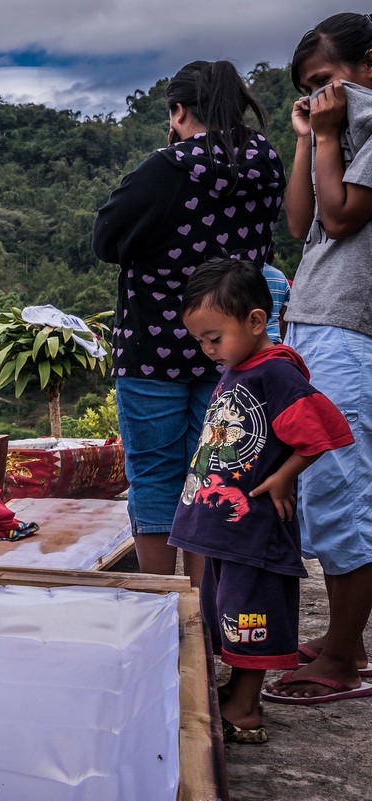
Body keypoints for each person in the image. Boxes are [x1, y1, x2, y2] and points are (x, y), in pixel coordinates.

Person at [92, 60, 284, 581]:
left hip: (153, 346)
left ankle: (162, 601)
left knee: (155, 475)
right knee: (212, 475)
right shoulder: (265, 160)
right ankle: (204, 607)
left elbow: (106, 239)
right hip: (230, 347)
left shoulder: (167, 167)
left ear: (179, 111)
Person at [169, 257, 353, 742]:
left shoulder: (276, 373)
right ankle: (234, 690)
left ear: (255, 321)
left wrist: (283, 477)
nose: (209, 351)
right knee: (225, 613)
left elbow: (323, 432)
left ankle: (246, 709)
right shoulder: (242, 365)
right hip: (224, 529)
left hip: (253, 530)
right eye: (201, 342)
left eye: (215, 338)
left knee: (251, 616)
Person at [266, 12, 372, 702]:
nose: (318, 96)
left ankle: (341, 660)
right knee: (320, 484)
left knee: (341, 486)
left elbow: (340, 217)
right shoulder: (338, 133)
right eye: (307, 88)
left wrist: (332, 134)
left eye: (327, 80)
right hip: (316, 320)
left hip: (348, 329)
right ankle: (344, 638)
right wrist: (310, 139)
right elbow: (301, 221)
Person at [261, 255, 290, 344]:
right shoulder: (280, 276)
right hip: (273, 339)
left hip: (245, 343)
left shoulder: (239, 274)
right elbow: (286, 316)